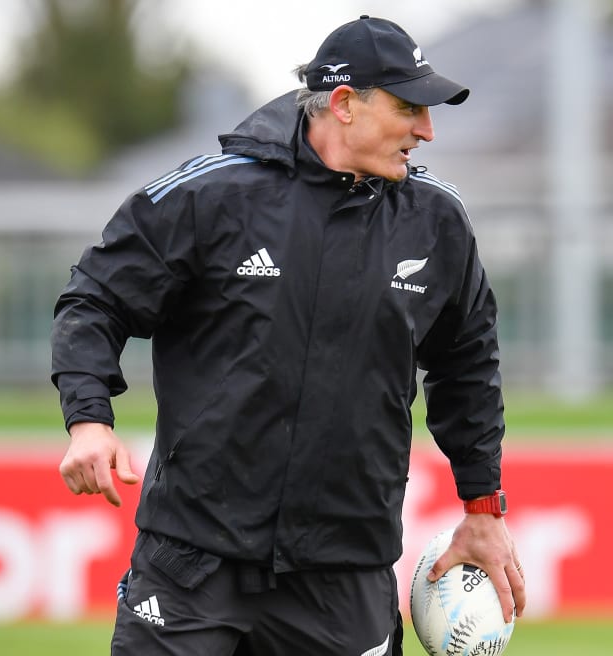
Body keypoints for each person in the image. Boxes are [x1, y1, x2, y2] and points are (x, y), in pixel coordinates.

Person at [51, 14, 525, 656]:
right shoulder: (213, 194)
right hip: (192, 562)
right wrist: (88, 419)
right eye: (409, 107)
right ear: (344, 104)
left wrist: (483, 507)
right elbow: (96, 297)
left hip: (344, 574)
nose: (427, 129)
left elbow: (468, 367)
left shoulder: (437, 221)